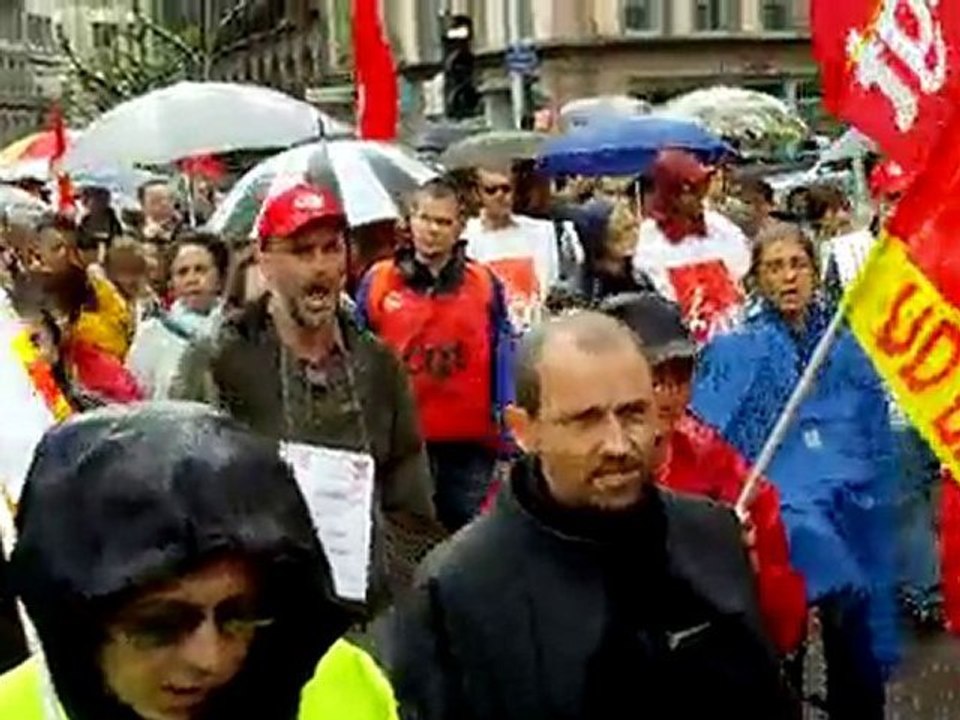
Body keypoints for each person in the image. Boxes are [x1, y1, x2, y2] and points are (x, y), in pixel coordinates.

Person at [388, 312, 794, 720]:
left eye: (633, 413)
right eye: (586, 420)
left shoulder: (712, 536)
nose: (617, 444)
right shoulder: (458, 590)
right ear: (524, 430)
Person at [0, 403, 399, 719]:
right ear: (77, 622)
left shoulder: (342, 685)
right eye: (160, 626)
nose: (210, 659)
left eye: (238, 615)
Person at [172, 183, 437, 601]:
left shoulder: (376, 364)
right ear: (265, 260)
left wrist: (391, 586)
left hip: (361, 611)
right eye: (301, 251)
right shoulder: (220, 361)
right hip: (260, 609)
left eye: (331, 248)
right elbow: (181, 489)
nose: (320, 267)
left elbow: (409, 495)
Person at [693, 222, 900, 719]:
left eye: (798, 265)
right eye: (775, 267)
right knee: (783, 638)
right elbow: (714, 432)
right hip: (781, 509)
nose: (789, 277)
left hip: (848, 502)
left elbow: (870, 419)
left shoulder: (841, 341)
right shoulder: (736, 348)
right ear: (758, 278)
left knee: (856, 631)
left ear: (814, 270)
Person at [601, 292, 807, 655]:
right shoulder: (561, 472)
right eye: (652, 376)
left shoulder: (728, 475)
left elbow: (783, 626)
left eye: (680, 374)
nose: (668, 392)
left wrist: (749, 564)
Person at [358, 178, 513, 532]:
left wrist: (506, 426)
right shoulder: (378, 281)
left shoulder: (485, 283)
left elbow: (504, 353)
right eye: (425, 218)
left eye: (443, 222)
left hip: (470, 445)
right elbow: (359, 354)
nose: (432, 230)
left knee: (469, 539)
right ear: (409, 220)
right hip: (402, 443)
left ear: (460, 227)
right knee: (407, 540)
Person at [633, 149, 751, 343]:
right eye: (688, 191)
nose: (698, 198)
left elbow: (743, 277)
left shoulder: (721, 228)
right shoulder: (648, 240)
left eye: (699, 189)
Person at [127, 232, 229, 399]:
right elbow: (136, 397)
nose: (192, 279)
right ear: (171, 284)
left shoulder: (232, 328)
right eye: (182, 272)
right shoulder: (153, 332)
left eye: (200, 270)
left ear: (219, 279)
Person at [463, 163, 565, 331]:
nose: (500, 196)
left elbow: (551, 284)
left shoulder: (540, 231)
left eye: (506, 189)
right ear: (478, 194)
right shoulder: (466, 236)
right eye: (491, 190)